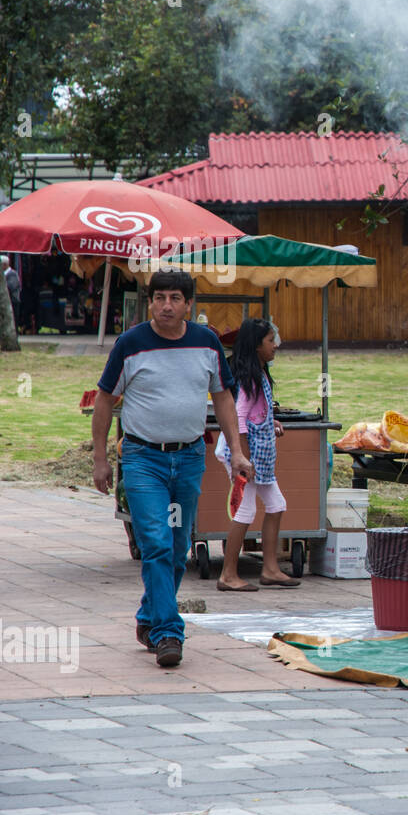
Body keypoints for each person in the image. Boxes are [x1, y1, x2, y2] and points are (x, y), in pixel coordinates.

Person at [92, 269, 252, 668]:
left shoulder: (207, 342)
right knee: (157, 543)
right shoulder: (130, 345)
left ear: (188, 304)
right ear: (150, 301)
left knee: (178, 548)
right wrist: (100, 458)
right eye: (159, 297)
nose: (167, 305)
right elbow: (105, 400)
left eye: (175, 298)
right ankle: (168, 632)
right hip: (144, 460)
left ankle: (148, 616)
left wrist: (236, 450)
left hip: (189, 458)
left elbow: (224, 398)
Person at [216, 318, 299, 591]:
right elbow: (239, 418)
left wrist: (269, 421)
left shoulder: (260, 374)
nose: (276, 346)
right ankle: (228, 575)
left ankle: (271, 569)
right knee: (246, 510)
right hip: (247, 457)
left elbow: (254, 413)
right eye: (270, 341)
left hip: (255, 458)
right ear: (256, 346)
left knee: (276, 505)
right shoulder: (250, 377)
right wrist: (242, 458)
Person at [0, 256, 20, 333]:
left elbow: (11, 286)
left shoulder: (12, 274)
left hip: (12, 302)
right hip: (5, 302)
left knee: (13, 322)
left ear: (5, 264)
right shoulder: (2, 274)